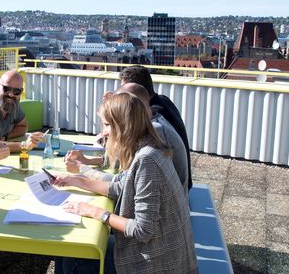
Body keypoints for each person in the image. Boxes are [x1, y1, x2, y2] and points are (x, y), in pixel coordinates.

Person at [53, 93, 198, 273]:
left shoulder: (147, 160)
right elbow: (120, 186)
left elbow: (143, 230)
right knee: (67, 249)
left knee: (73, 261)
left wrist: (95, 212)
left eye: (107, 125)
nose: (104, 132)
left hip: (160, 264)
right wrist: (75, 180)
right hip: (163, 252)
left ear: (123, 126)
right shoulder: (146, 146)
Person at [66, 83, 189, 192]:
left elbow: (122, 186)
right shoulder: (151, 122)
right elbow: (121, 161)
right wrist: (87, 161)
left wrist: (82, 171)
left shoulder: (154, 134)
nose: (104, 132)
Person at [119, 65, 193, 189]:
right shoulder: (164, 101)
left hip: (175, 189)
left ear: (135, 91)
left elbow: (127, 151)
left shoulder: (153, 116)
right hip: (181, 181)